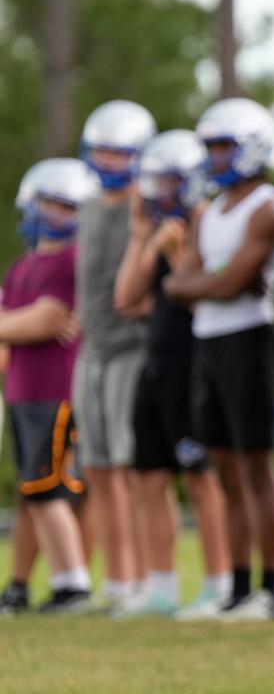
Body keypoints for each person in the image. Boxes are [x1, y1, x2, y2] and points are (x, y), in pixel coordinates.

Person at [164, 97, 274, 620]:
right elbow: (180, 286)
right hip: (209, 342)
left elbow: (230, 283)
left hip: (250, 339)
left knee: (258, 465)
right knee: (226, 469)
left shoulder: (267, 205)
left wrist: (201, 281)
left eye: (224, 146)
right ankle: (236, 588)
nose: (215, 157)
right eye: (210, 146)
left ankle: (269, 588)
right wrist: (203, 282)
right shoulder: (207, 211)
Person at [114, 130, 232, 618]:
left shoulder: (207, 220)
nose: (160, 192)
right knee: (147, 475)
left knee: (200, 477)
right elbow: (125, 299)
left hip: (194, 364)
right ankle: (161, 589)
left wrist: (172, 253)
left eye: (169, 181)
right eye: (155, 181)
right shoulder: (159, 228)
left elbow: (191, 285)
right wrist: (144, 240)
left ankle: (218, 584)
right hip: (156, 364)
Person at [0, 158, 98, 612]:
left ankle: (73, 583)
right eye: (49, 204)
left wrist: (15, 325)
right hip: (21, 393)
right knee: (33, 492)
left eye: (66, 207)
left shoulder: (73, 261)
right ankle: (32, 584)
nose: (55, 215)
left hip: (55, 392)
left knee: (50, 491)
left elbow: (46, 320)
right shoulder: (22, 267)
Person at [75, 99, 157, 613]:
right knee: (99, 469)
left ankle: (149, 581)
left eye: (118, 153)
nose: (107, 162)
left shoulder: (146, 207)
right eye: (100, 151)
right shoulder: (85, 206)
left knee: (131, 468)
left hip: (132, 348)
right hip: (92, 349)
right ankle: (119, 581)